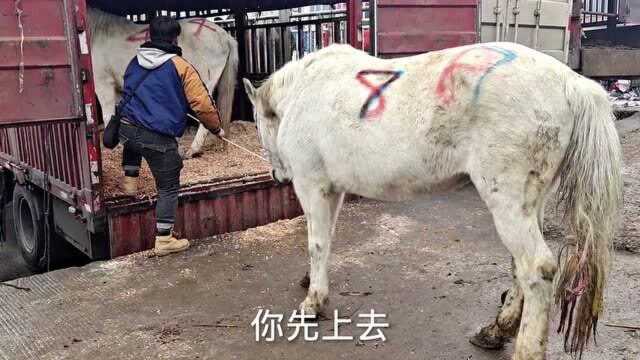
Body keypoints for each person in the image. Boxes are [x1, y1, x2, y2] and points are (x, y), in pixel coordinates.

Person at [118, 15, 224, 256]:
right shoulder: (180, 66)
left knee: (134, 139)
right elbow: (203, 105)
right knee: (168, 186)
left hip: (127, 130)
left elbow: (127, 94)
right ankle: (164, 239)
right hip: (156, 138)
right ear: (176, 37)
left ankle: (130, 181)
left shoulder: (134, 62)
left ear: (149, 36)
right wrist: (216, 128)